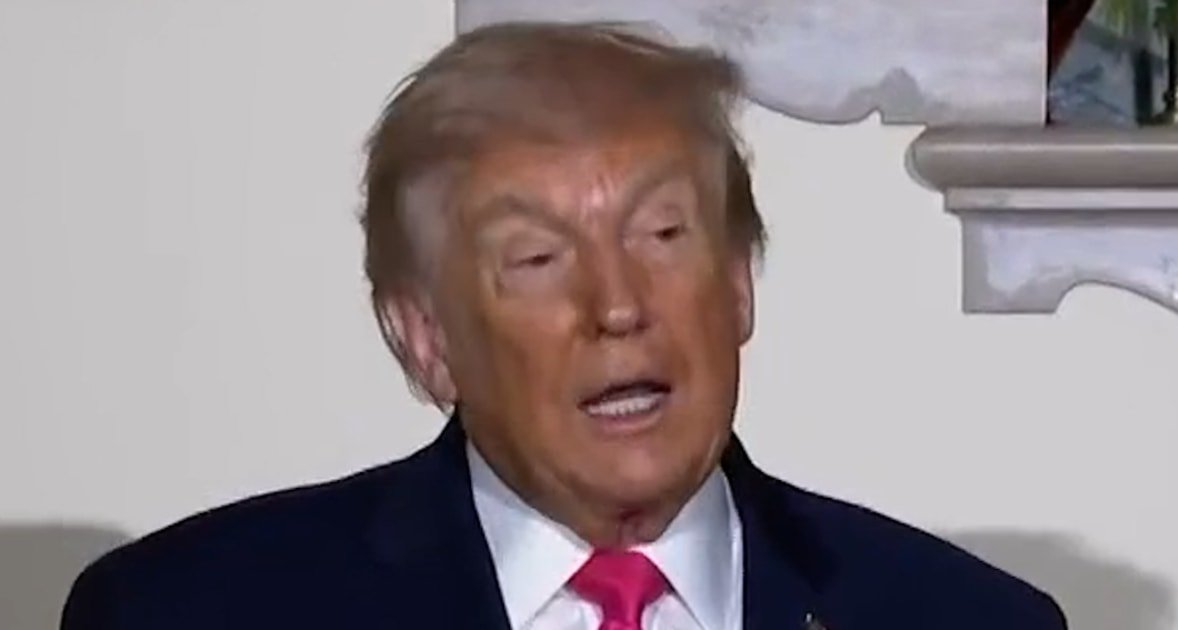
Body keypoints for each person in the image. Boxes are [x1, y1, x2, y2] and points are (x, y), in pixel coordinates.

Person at [61, 21, 1067, 630]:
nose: (618, 306)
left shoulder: (967, 620)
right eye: (538, 259)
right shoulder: (189, 613)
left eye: (663, 234)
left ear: (738, 284)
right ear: (426, 339)